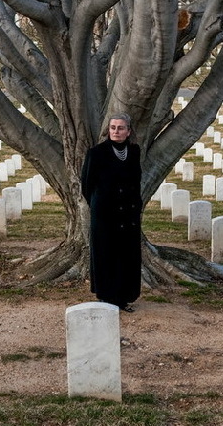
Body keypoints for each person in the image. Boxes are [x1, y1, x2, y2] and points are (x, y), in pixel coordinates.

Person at [80, 113, 142, 312]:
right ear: (108, 130)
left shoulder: (134, 151)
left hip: (129, 213)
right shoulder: (96, 153)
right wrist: (100, 204)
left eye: (121, 128)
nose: (116, 131)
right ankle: (107, 297)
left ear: (128, 131)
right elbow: (87, 184)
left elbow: (135, 180)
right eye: (113, 127)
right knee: (106, 254)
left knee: (127, 255)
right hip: (105, 214)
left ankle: (123, 297)